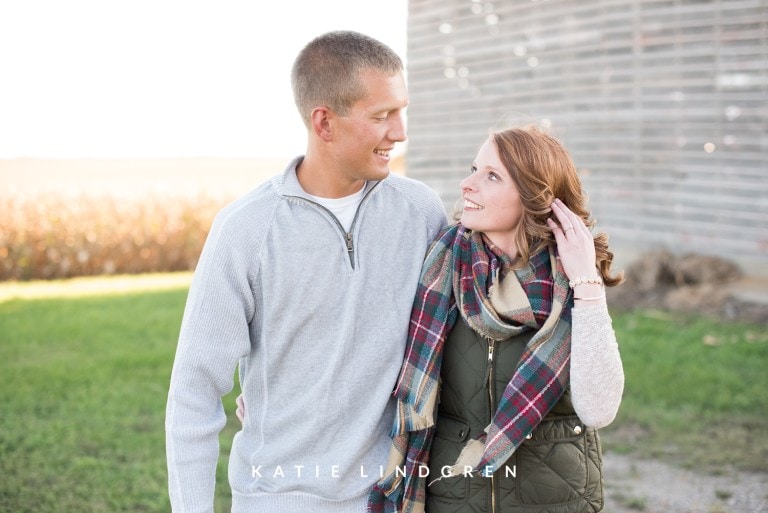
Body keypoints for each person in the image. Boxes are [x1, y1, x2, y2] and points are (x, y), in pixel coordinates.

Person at [164, 31, 447, 513]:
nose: (399, 132)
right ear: (324, 122)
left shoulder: (420, 212)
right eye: (381, 116)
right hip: (278, 498)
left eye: (401, 111)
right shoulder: (246, 230)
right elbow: (194, 392)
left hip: (393, 497)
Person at [368, 125, 625, 513]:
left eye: (491, 176)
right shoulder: (443, 267)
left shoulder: (571, 280)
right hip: (452, 494)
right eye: (475, 169)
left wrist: (587, 282)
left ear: (534, 195)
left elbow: (598, 409)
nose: (467, 184)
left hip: (552, 500)